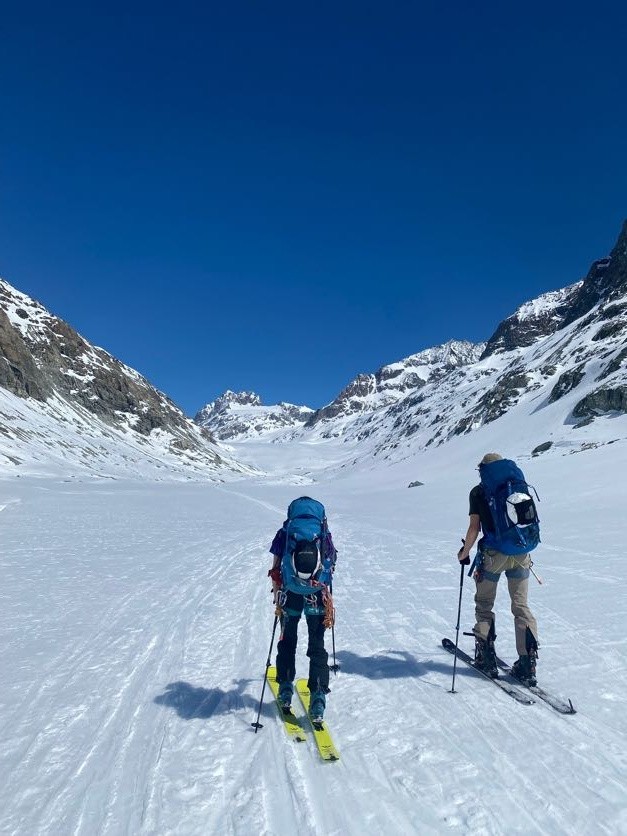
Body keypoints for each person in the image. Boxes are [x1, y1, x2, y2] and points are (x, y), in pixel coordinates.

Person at [457, 453, 539, 685]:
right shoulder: (517, 485)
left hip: (493, 556)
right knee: (521, 606)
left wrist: (465, 553)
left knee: (484, 605)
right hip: (521, 553)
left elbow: (474, 528)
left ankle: (486, 656)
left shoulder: (478, 491)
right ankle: (527, 662)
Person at [268, 496, 337, 725]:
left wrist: (278, 593)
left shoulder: (285, 532)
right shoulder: (323, 534)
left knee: (288, 641)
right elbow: (331, 565)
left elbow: (276, 568)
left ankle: (286, 688)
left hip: (291, 595)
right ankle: (317, 697)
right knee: (317, 645)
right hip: (316, 595)